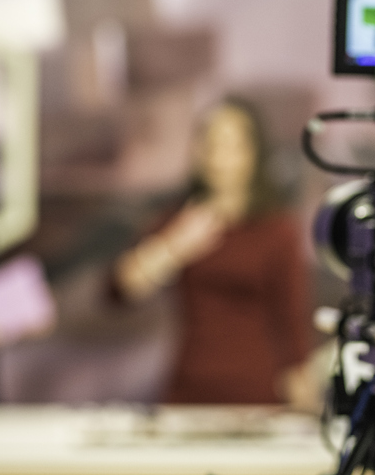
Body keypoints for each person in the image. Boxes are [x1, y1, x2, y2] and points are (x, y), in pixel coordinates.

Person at [110, 100, 316, 408]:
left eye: (233, 146)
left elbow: (291, 324)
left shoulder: (277, 231)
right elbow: (120, 290)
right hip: (190, 388)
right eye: (212, 144)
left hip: (257, 394)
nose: (221, 158)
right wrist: (175, 246)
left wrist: (304, 403)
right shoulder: (180, 220)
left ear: (254, 153)